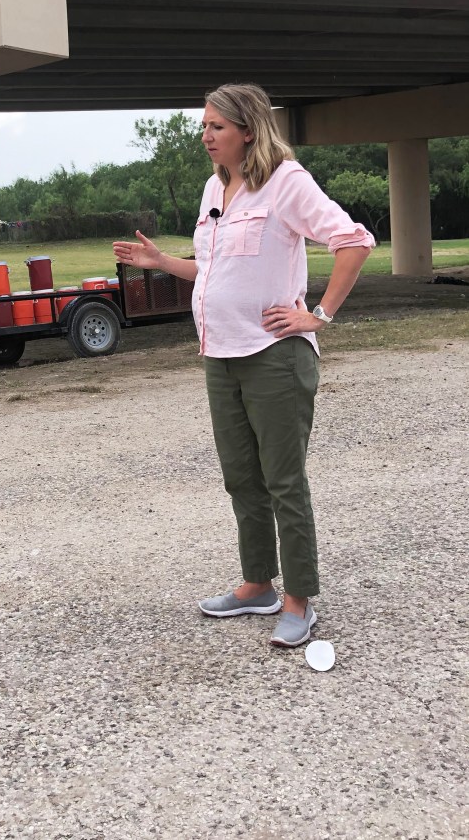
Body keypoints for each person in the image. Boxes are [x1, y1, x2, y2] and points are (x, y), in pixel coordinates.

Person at [114, 83, 374, 648]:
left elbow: (354, 241)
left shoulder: (287, 182)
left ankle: (299, 600)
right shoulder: (217, 186)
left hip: (273, 357)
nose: (206, 136)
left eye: (216, 127)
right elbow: (211, 270)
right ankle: (257, 583)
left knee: (284, 482)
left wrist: (320, 315)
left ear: (248, 130)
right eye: (204, 126)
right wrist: (160, 262)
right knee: (242, 479)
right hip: (220, 354)